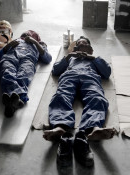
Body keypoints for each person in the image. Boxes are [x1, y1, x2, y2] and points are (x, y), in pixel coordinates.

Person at [43, 36, 116, 167]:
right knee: (61, 96)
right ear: (75, 47)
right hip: (69, 76)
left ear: (90, 49)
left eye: (85, 44)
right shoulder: (70, 58)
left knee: (97, 98)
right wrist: (69, 55)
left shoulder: (94, 59)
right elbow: (55, 70)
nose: (81, 46)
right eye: (79, 44)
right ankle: (60, 126)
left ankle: (94, 128)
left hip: (90, 77)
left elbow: (107, 73)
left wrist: (92, 57)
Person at [0, 30, 52, 117]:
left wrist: (35, 43)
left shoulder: (39, 44)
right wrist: (8, 45)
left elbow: (47, 58)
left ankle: (11, 102)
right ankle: (17, 100)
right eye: (24, 34)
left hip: (28, 58)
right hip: (10, 56)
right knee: (7, 72)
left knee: (24, 75)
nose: (26, 34)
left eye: (30, 35)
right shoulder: (14, 41)